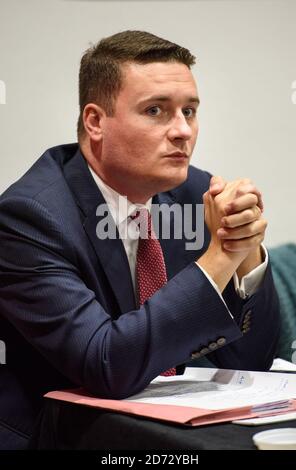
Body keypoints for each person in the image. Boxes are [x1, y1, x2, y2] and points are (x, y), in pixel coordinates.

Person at [0, 30, 280, 449]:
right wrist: (220, 254)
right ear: (95, 121)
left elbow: (252, 362)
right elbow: (106, 364)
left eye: (190, 110)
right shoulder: (30, 218)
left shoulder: (192, 193)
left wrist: (245, 254)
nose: (183, 131)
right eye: (156, 111)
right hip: (58, 436)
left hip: (160, 427)